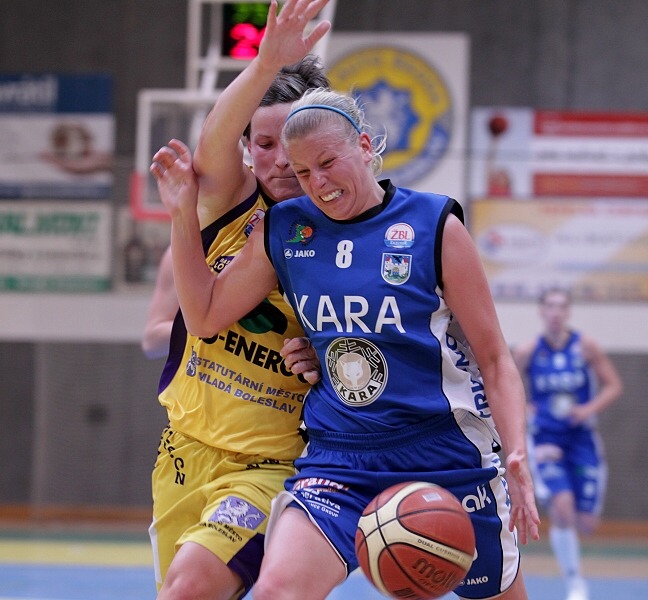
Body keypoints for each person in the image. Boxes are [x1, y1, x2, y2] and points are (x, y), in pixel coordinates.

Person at [152, 82, 541, 600]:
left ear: (363, 144)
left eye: (327, 162)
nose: (318, 183)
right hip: (340, 456)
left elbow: (494, 359)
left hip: (442, 450)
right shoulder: (286, 229)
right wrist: (182, 214)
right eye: (302, 171)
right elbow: (202, 315)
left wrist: (517, 453)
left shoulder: (433, 225)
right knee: (276, 591)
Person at [145, 1, 332, 598]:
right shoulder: (231, 202)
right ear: (249, 148)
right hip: (184, 447)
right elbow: (213, 140)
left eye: (293, 141)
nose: (281, 159)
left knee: (190, 586)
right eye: (266, 143)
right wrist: (265, 64)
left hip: (270, 465)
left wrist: (327, 356)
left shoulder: (344, 236)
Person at [513, 287, 623, 600]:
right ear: (542, 311)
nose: (556, 312)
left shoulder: (585, 346)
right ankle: (575, 583)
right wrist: (525, 408)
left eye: (562, 306)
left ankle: (576, 550)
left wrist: (588, 409)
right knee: (562, 509)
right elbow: (505, 384)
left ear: (568, 312)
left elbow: (613, 385)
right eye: (550, 306)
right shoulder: (528, 350)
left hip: (581, 439)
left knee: (587, 522)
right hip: (546, 440)